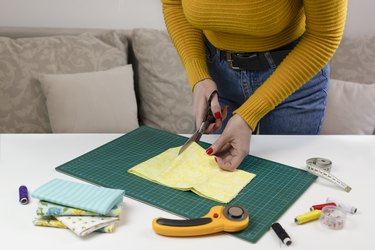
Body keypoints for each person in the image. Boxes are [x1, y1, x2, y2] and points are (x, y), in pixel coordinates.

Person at [161, 0, 348, 171]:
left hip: (293, 77)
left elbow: (324, 36)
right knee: (212, 177)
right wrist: (199, 77)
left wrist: (249, 115)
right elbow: (174, 5)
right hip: (218, 77)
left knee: (283, 181)